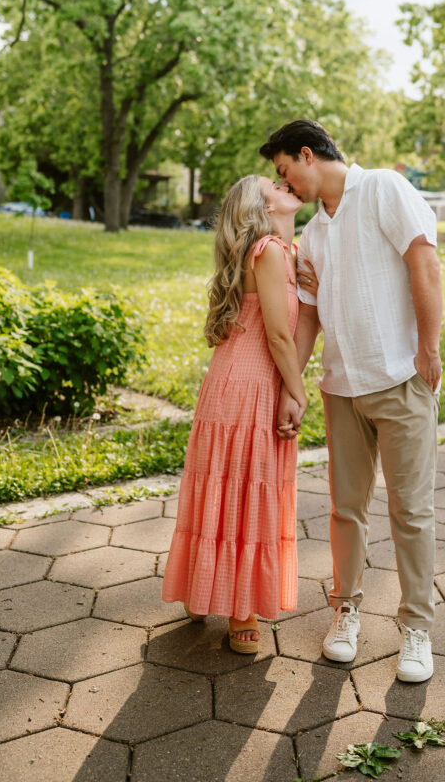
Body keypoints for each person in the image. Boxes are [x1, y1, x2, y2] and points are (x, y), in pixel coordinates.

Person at [260, 120, 442, 683]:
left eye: (285, 171)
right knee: (345, 511)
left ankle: (416, 629)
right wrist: (294, 386)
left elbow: (423, 262)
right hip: (341, 389)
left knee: (411, 511)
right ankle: (346, 612)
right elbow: (309, 315)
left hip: (399, 379)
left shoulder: (384, 189)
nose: (284, 184)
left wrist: (428, 349)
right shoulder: (312, 234)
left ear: (307, 154)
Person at [161, 174, 310, 653]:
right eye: (276, 183)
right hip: (247, 386)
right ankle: (240, 608)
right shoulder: (266, 249)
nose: (287, 184)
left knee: (233, 487)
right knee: (241, 488)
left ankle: (208, 587)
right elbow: (278, 337)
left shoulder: (286, 253)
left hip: (239, 382)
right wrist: (298, 390)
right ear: (261, 206)